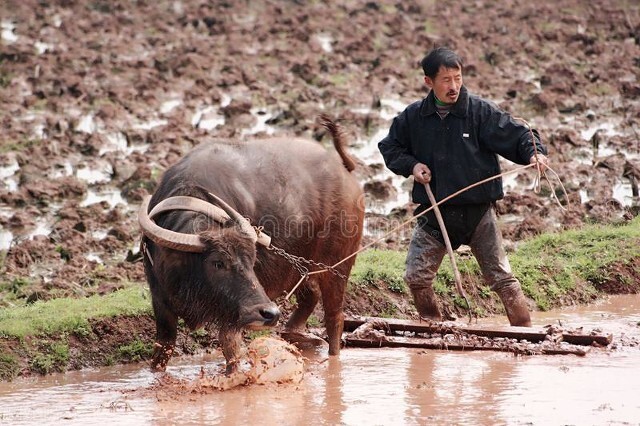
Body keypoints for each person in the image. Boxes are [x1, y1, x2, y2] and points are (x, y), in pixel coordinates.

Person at [378, 47, 549, 326]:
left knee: (502, 279)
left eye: (457, 78)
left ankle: (526, 332)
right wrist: (412, 165)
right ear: (428, 82)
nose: (454, 86)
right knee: (416, 277)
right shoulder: (414, 117)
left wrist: (534, 152)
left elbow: (518, 134)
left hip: (478, 213)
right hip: (436, 212)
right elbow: (390, 147)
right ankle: (432, 325)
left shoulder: (480, 112)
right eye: (446, 80)